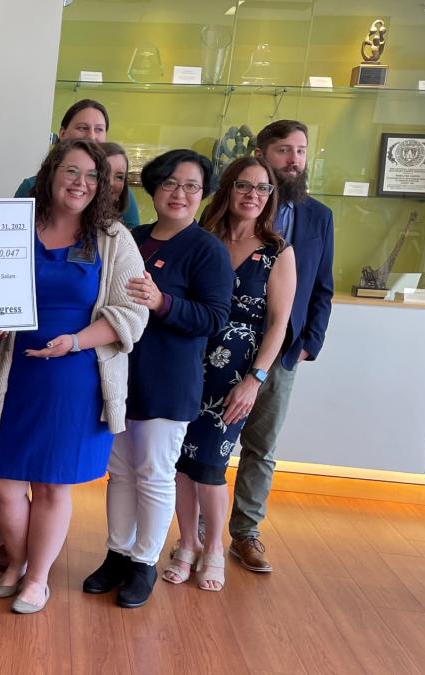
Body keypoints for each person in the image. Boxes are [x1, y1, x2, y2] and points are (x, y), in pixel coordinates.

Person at [0, 139, 148, 615]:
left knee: (53, 484)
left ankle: (36, 578)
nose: (81, 183)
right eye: (71, 171)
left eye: (92, 176)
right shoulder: (14, 227)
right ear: (50, 174)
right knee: (1, 482)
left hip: (76, 376)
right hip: (16, 375)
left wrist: (73, 342)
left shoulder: (114, 238)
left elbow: (131, 313)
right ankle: (16, 561)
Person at [82, 149, 233, 607]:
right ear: (153, 188)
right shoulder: (133, 237)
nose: (179, 193)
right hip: (120, 374)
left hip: (169, 381)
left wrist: (162, 302)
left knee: (153, 472)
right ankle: (117, 553)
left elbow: (214, 318)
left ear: (203, 194)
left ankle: (143, 562)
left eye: (191, 186)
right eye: (170, 183)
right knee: (120, 471)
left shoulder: (207, 249)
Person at [169, 157, 295, 592]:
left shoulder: (277, 251)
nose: (252, 195)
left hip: (237, 377)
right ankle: (187, 543)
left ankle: (214, 549)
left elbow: (278, 324)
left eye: (262, 188)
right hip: (187, 365)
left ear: (270, 197)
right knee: (181, 463)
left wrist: (255, 380)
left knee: (210, 465)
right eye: (244, 185)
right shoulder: (202, 237)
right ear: (228, 188)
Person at [228, 119, 335, 574]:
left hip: (283, 351)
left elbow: (323, 286)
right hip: (222, 346)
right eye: (285, 150)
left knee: (261, 447)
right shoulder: (229, 210)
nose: (294, 160)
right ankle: (196, 531)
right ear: (260, 154)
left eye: (301, 151)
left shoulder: (318, 216)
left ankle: (246, 532)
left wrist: (310, 342)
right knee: (203, 440)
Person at [13, 100, 141, 227]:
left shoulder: (117, 191)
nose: (91, 136)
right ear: (62, 134)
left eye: (99, 129)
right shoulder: (31, 187)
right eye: (82, 128)